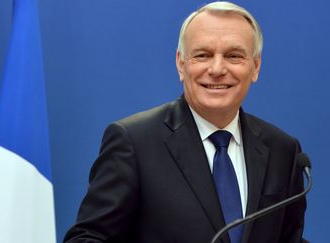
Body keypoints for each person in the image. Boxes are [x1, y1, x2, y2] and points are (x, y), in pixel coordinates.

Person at [64, 1, 307, 243]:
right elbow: (86, 239)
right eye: (203, 55)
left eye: (234, 56)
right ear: (181, 64)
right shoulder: (134, 142)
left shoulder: (282, 149)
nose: (217, 69)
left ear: (255, 67)